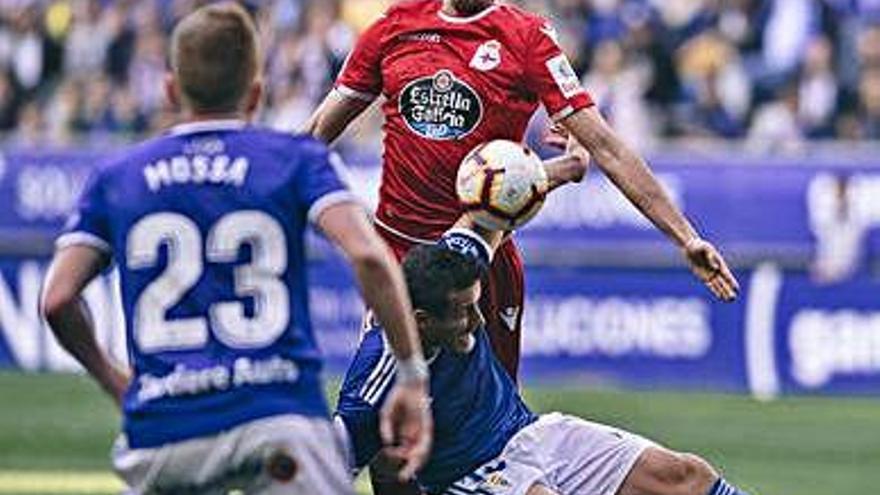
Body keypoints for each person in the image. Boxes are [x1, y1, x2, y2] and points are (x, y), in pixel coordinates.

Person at [39, 4, 430, 494]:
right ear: (256, 92)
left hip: (164, 431)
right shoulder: (294, 161)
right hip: (279, 419)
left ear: (170, 90)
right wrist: (411, 375)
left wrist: (119, 383)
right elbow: (370, 255)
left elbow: (56, 299)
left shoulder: (117, 178)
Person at [305, 0, 736, 384]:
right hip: (402, 259)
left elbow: (607, 146)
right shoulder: (394, 26)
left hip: (482, 261)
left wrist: (685, 236)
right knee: (386, 435)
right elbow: (316, 134)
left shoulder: (527, 39)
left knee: (489, 430)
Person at [336, 224, 745, 495]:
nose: (479, 322)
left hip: (532, 435)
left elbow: (491, 213)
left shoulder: (452, 263)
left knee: (685, 476)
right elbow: (322, 469)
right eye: (465, 312)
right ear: (421, 322)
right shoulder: (374, 381)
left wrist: (564, 165)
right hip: (467, 478)